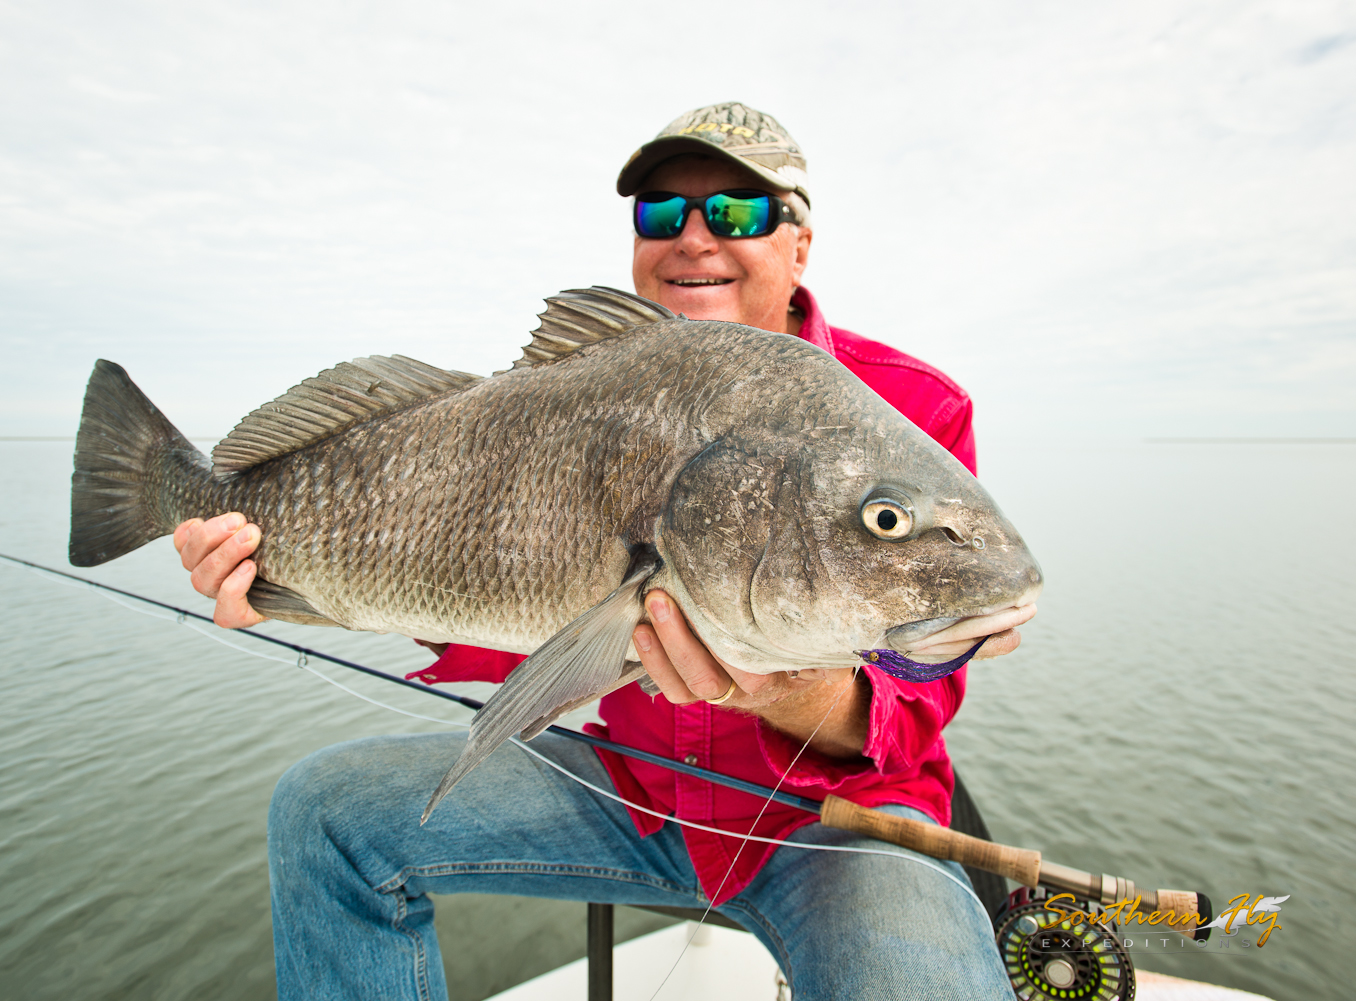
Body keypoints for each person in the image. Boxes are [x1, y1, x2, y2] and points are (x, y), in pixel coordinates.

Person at [174, 103, 1034, 1000]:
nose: (695, 238)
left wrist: (786, 686)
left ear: (799, 244)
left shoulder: (909, 408)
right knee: (322, 811)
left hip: (839, 824)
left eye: (737, 211)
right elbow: (505, 618)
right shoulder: (558, 402)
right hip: (633, 794)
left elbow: (915, 704)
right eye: (663, 213)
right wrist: (275, 581)